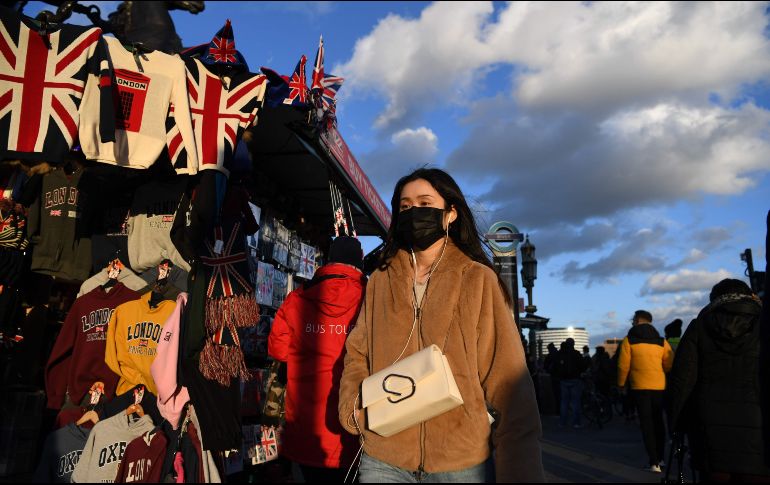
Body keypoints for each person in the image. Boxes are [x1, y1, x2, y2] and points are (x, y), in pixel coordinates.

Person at [338, 168, 544, 483]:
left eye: (425, 203)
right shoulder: (380, 279)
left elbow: (507, 378)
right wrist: (353, 408)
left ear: (450, 214)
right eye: (405, 206)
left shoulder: (477, 279)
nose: (414, 213)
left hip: (460, 460)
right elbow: (358, 351)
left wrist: (519, 470)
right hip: (384, 455)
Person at [268, 236, 367, 482]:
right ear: (359, 264)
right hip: (351, 430)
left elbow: (278, 351)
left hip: (305, 432)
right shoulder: (369, 300)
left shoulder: (297, 299)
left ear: (329, 261)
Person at [667, 279, 770, 482]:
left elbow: (682, 380)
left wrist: (676, 424)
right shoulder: (764, 324)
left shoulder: (700, 326)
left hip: (708, 432)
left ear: (715, 299)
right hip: (760, 432)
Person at [617, 310, 674, 473]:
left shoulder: (629, 340)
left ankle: (653, 462)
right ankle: (661, 459)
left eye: (633, 319)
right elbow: (669, 363)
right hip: (659, 386)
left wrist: (621, 384)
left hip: (639, 386)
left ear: (637, 320)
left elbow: (623, 365)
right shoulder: (661, 341)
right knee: (658, 422)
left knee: (646, 423)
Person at [552, 338, 587, 428]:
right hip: (575, 380)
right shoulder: (576, 354)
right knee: (575, 402)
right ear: (573, 344)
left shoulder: (561, 354)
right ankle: (576, 423)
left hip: (563, 380)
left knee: (564, 402)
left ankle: (562, 423)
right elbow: (583, 366)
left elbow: (555, 366)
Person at [543, 342, 561, 415]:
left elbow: (545, 366)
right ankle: (563, 411)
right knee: (561, 395)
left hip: (554, 377)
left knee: (556, 394)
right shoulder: (559, 354)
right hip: (561, 377)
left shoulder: (549, 355)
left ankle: (558, 411)